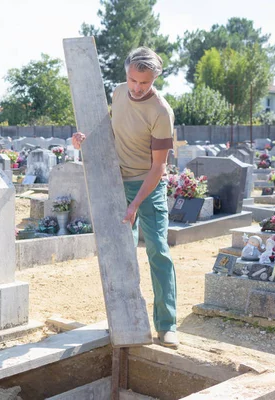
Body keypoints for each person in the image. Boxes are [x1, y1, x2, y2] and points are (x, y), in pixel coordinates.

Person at [73, 46, 178, 348]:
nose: (137, 88)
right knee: (122, 250)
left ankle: (167, 324)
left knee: (158, 249)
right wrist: (84, 139)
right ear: (127, 75)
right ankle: (125, 319)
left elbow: (158, 167)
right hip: (116, 181)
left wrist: (134, 204)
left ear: (155, 79)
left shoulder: (160, 112)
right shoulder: (120, 92)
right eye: (133, 80)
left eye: (144, 82)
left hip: (148, 185)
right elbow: (108, 126)